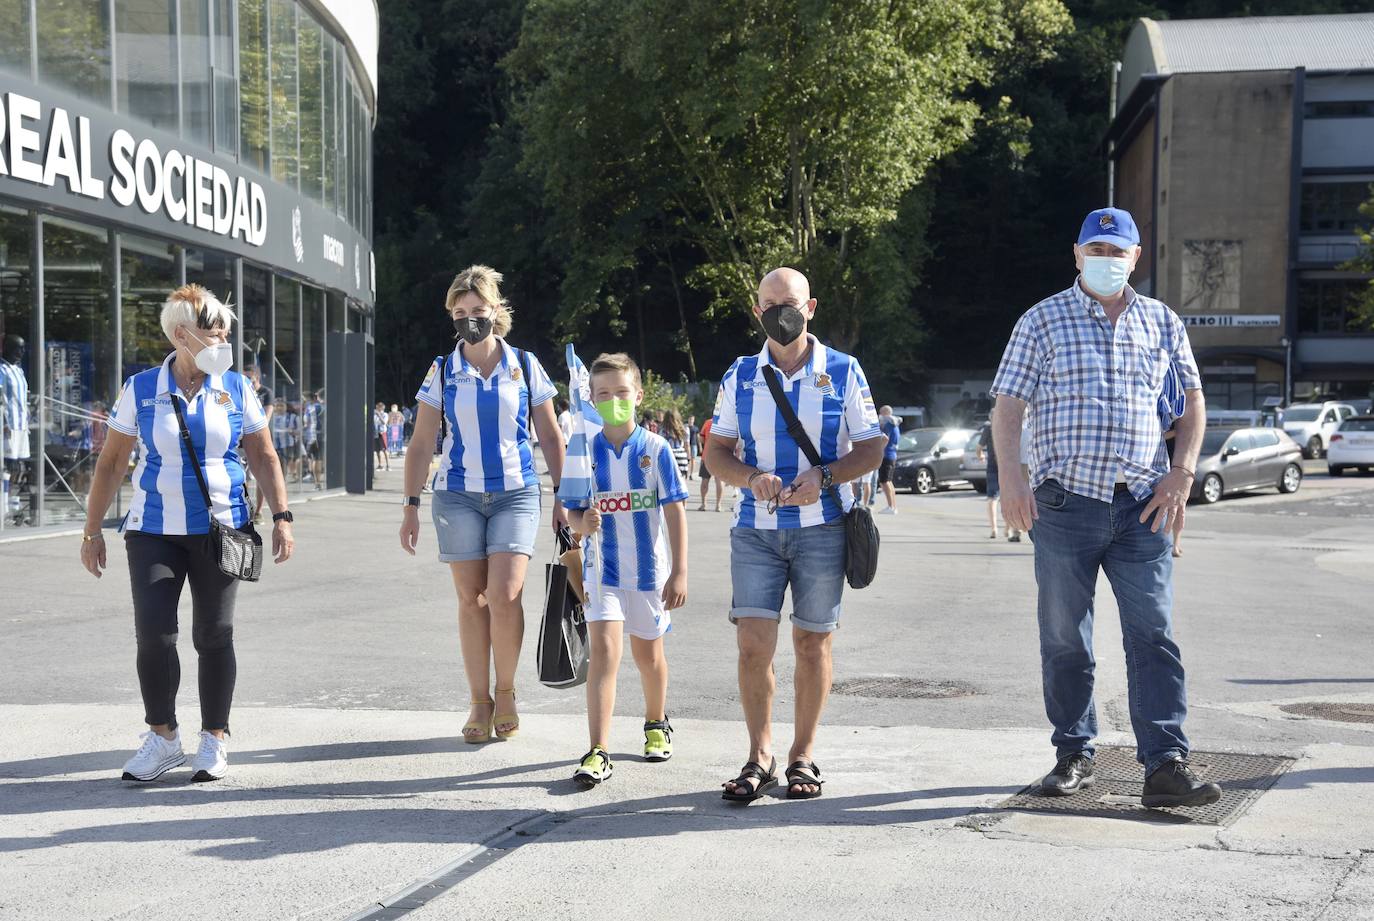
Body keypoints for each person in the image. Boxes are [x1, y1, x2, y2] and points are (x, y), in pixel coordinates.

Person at [992, 207, 1221, 809]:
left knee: (1156, 634)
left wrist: (1183, 473)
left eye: (1117, 252)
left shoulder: (1162, 323)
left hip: (1145, 505)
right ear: (1076, 254)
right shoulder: (1041, 320)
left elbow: (1192, 404)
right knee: (1066, 636)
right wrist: (1012, 480)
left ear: (1135, 258)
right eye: (1096, 249)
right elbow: (1008, 407)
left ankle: (1166, 765)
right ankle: (1075, 754)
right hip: (1064, 503)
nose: (1107, 260)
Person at [78, 284, 295, 782]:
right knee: (154, 634)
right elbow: (111, 462)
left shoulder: (237, 388)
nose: (222, 337)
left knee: (214, 634)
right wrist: (92, 532)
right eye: (211, 329)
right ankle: (163, 737)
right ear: (181, 334)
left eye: (224, 329)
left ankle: (214, 738)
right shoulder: (141, 389)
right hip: (153, 528)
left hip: (222, 527)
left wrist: (282, 516)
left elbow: (263, 455)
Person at [709, 267, 886, 801]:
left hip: (823, 530)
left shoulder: (844, 370)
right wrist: (751, 478)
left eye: (788, 303)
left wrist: (825, 476)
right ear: (756, 309)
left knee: (812, 643)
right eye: (768, 303)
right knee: (752, 645)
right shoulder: (739, 375)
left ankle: (802, 756)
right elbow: (715, 452)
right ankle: (758, 756)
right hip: (756, 532)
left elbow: (873, 446)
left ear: (810, 308)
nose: (778, 313)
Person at [398, 265, 567, 744]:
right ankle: (479, 699)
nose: (470, 319)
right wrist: (410, 505)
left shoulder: (526, 365)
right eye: (460, 312)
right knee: (471, 601)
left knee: (505, 594)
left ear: (496, 310)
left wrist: (564, 496)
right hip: (457, 494)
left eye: (478, 310)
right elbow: (421, 442)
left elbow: (551, 437)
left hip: (516, 492)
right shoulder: (443, 369)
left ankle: (507, 690)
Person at [563, 353, 689, 785]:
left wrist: (681, 571)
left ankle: (656, 723)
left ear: (638, 395)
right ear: (592, 401)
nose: (613, 400)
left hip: (650, 573)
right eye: (603, 394)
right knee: (604, 655)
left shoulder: (656, 450)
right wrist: (583, 523)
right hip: (602, 572)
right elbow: (568, 513)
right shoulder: (583, 451)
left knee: (649, 656)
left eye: (621, 392)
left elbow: (675, 512)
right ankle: (598, 750)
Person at [246, 366, 274, 523]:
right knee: (244, 477)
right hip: (242, 440)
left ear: (256, 376)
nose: (247, 379)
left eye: (249, 376)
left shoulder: (266, 392)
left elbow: (266, 417)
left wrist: (256, 430)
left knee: (260, 475)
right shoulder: (244, 390)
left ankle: (258, 511)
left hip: (259, 438)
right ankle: (247, 508)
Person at [696, 416, 725, 512]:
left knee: (705, 481)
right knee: (719, 481)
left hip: (707, 456)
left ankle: (703, 504)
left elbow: (701, 438)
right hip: (720, 457)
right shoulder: (725, 422)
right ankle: (718, 505)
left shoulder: (708, 422)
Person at [876, 405, 900, 514]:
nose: (880, 416)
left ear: (885, 413)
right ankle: (893, 506)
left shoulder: (889, 425)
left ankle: (891, 506)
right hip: (892, 455)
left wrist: (879, 451)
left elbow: (885, 439)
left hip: (886, 455)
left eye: (881, 413)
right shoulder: (895, 424)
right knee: (888, 481)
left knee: (884, 481)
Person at [302, 390, 324, 489]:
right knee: (316, 458)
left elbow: (306, 424)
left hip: (313, 436)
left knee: (315, 458)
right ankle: (315, 478)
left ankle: (317, 482)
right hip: (321, 435)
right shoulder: (323, 407)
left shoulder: (310, 408)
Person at [662, 407, 690, 479]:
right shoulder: (684, 429)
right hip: (681, 457)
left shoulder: (663, 431)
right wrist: (688, 458)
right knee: (681, 484)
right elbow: (687, 446)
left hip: (668, 456)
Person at [373, 402, 390, 471]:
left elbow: (384, 422)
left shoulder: (385, 414)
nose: (377, 408)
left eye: (379, 407)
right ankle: (380, 465)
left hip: (382, 433)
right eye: (377, 407)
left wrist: (379, 415)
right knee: (377, 450)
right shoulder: (374, 415)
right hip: (376, 433)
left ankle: (388, 465)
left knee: (384, 449)